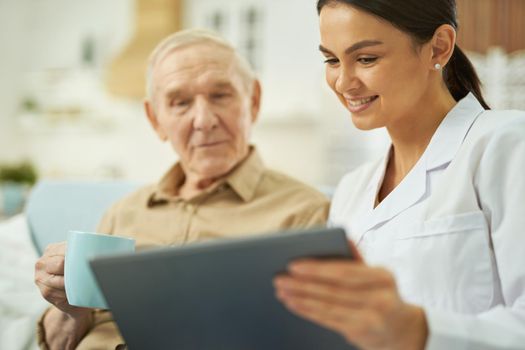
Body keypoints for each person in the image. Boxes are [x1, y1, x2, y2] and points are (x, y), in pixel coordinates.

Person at [34, 29, 329, 350]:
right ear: (155, 119)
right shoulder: (122, 213)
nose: (203, 120)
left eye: (220, 95)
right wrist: (69, 310)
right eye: (180, 102)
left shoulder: (305, 214)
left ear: (253, 101)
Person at [274, 1, 525, 349]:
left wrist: (416, 330)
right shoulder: (351, 191)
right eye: (331, 60)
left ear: (439, 46)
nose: (344, 82)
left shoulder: (507, 144)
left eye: (366, 59)